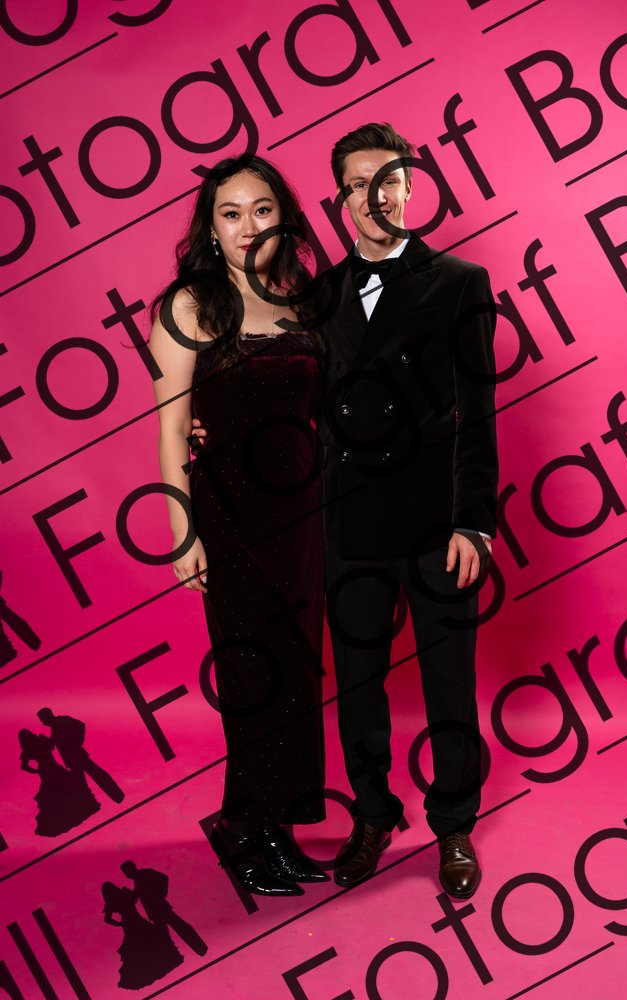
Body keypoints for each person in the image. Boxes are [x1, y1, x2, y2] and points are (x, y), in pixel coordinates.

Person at [192, 123, 498, 899]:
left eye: (387, 179)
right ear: (340, 199)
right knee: (357, 685)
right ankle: (371, 816)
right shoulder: (315, 295)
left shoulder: (459, 282)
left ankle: (453, 825)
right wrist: (211, 427)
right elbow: (282, 389)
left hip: (435, 522)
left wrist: (473, 522)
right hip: (343, 522)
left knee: (449, 681)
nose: (375, 196)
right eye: (358, 185)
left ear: (410, 187)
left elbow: (477, 410)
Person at [149, 154, 329, 896]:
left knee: (298, 671)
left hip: (305, 514)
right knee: (253, 672)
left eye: (261, 209)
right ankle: (240, 826)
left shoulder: (304, 301)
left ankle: (278, 826)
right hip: (229, 514)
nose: (247, 225)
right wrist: (181, 532)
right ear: (211, 227)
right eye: (231, 213)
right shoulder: (190, 305)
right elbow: (170, 429)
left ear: (283, 217)